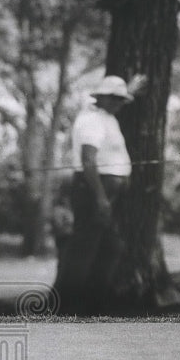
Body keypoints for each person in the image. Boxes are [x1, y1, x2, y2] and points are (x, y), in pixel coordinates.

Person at [53, 73, 145, 315]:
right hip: (93, 190)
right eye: (112, 98)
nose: (118, 103)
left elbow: (120, 102)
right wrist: (101, 198)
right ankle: (66, 307)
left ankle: (91, 305)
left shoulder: (105, 115)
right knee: (84, 249)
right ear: (100, 98)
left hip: (105, 192)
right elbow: (88, 161)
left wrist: (130, 91)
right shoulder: (92, 121)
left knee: (110, 248)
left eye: (120, 100)